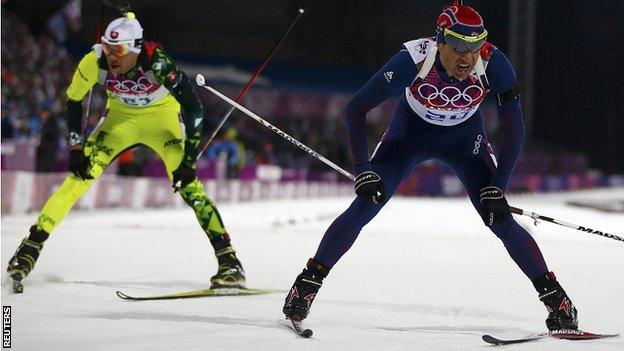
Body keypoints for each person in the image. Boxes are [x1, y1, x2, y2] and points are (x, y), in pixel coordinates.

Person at [282, 3, 578, 332]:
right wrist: (363, 168)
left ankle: (558, 302)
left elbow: (516, 130)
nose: (467, 57)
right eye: (458, 46)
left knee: (499, 218)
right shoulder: (414, 59)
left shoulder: (495, 64)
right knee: (366, 204)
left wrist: (500, 185)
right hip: (410, 135)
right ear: (439, 40)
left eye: (475, 45)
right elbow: (356, 109)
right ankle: (305, 287)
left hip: (466, 141)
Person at [7, 13, 245, 292]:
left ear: (134, 48)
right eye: (107, 47)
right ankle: (29, 250)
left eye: (118, 50)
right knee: (77, 180)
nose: (111, 56)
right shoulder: (94, 61)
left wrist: (189, 162)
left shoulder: (157, 61)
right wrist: (75, 146)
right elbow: (74, 98)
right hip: (120, 121)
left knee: (190, 188)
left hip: (162, 120)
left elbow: (193, 107)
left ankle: (229, 262)